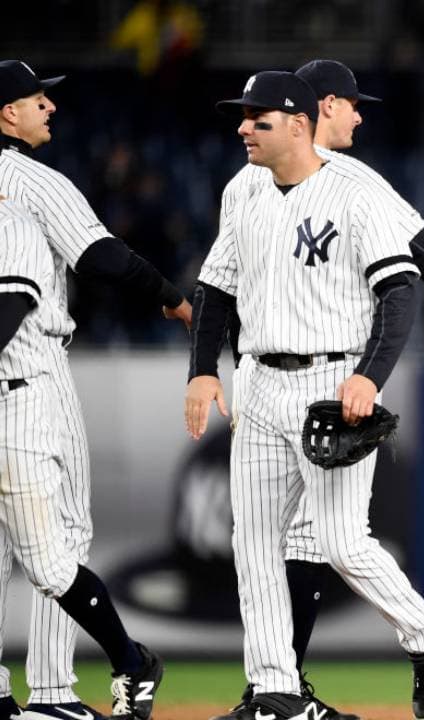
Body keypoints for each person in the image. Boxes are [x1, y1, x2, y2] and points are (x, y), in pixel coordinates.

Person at [216, 58, 424, 720]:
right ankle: (276, 690)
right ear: (313, 109)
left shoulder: (352, 183)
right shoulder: (253, 186)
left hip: (332, 375)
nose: (357, 114)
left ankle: (376, 651)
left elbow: (417, 257)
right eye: (348, 102)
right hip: (264, 379)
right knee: (276, 545)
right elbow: (219, 281)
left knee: (328, 543)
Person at [0, 59, 189, 720]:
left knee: (20, 552)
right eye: (36, 99)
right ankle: (53, 692)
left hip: (20, 369)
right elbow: (100, 255)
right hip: (35, 376)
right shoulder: (31, 181)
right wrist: (169, 297)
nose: (49, 107)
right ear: (7, 115)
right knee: (65, 536)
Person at [0, 196, 163, 720]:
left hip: (15, 405)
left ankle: (131, 662)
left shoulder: (14, 228)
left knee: (48, 564)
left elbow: (4, 317)